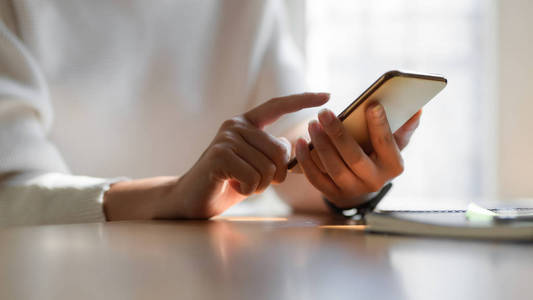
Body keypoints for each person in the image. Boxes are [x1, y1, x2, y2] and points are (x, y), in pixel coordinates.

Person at [0, 0, 420, 226]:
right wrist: (172, 196)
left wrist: (345, 179)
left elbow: (287, 155)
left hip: (228, 272)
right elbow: (11, 192)